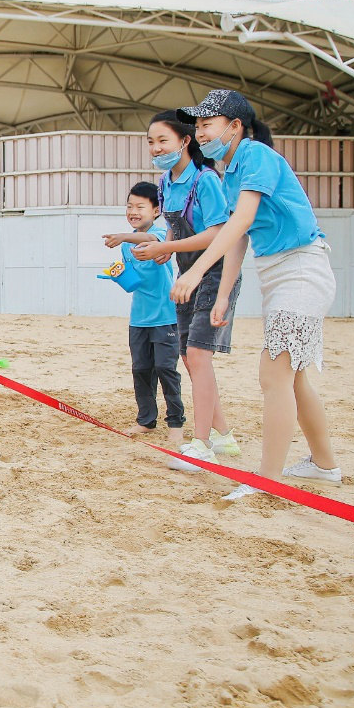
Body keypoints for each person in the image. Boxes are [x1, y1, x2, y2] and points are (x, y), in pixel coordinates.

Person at [172, 89, 339, 501]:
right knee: (293, 376)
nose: (200, 133)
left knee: (273, 373)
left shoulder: (256, 155)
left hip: (302, 270)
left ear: (235, 126)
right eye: (196, 126)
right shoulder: (230, 171)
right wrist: (224, 294)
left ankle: (267, 479)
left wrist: (195, 271)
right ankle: (324, 464)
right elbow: (239, 237)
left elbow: (242, 219)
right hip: (279, 275)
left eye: (206, 125)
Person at [132, 111, 242, 471]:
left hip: (213, 274)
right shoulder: (165, 183)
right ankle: (223, 435)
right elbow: (175, 233)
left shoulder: (206, 180)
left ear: (185, 141)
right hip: (185, 274)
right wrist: (166, 251)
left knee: (197, 356)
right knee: (192, 358)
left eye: (163, 140)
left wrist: (167, 249)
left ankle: (202, 444)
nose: (155, 147)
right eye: (150, 141)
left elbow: (217, 233)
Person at [103, 182, 184, 445]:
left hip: (166, 316)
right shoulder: (127, 245)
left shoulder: (161, 233)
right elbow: (135, 282)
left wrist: (125, 237)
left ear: (156, 210)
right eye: (129, 206)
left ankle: (175, 423)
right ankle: (146, 420)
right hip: (139, 317)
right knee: (141, 369)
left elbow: (152, 240)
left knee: (165, 368)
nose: (133, 211)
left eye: (140, 206)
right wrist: (120, 275)